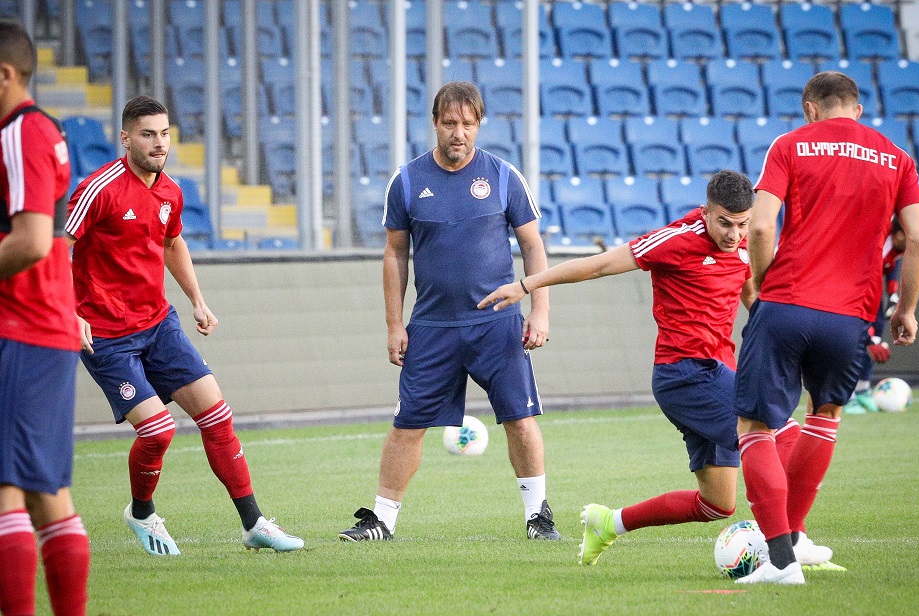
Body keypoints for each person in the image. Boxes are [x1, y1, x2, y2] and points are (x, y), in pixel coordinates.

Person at [480, 170, 827, 570]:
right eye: (725, 224)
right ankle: (789, 545)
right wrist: (526, 286)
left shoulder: (747, 246)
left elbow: (752, 296)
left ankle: (609, 523)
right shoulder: (676, 240)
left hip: (719, 372)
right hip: (686, 375)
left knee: (718, 503)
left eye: (743, 225)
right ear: (706, 212)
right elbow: (599, 266)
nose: (734, 234)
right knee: (782, 432)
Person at [66, 95, 303, 555]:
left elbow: (172, 244)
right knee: (158, 431)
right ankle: (141, 513)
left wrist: (197, 300)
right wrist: (67, 311)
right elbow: (60, 246)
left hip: (158, 323)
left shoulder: (170, 191)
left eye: (165, 133)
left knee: (217, 416)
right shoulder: (99, 188)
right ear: (126, 138)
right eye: (148, 134)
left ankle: (254, 525)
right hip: (107, 334)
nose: (159, 143)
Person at [731, 71, 919, 585]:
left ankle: (780, 563)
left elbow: (758, 224)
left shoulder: (791, 144)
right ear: (857, 110)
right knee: (824, 418)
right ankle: (795, 539)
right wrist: (905, 310)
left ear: (810, 109)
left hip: (787, 302)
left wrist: (761, 283)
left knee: (756, 428)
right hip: (851, 316)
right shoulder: (897, 157)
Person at [339, 81, 560, 542]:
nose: (458, 132)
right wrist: (394, 324)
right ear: (435, 124)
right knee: (408, 425)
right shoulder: (406, 181)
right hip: (433, 327)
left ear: (479, 124)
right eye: (449, 123)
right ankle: (382, 520)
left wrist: (539, 311)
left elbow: (533, 246)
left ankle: (538, 516)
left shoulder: (503, 176)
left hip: (497, 322)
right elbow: (394, 255)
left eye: (467, 123)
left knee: (520, 419)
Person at [0, 19, 89, 616]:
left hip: (21, 329)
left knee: (8, 494)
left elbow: (31, 240)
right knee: (46, 498)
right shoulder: (45, 132)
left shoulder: (19, 132)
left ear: (4, 75)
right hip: (44, 331)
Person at [844, 218, 906, 414]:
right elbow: (859, 294)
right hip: (852, 289)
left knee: (876, 331)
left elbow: (892, 265)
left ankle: (862, 389)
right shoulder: (877, 246)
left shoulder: (898, 247)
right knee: (856, 340)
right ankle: (846, 396)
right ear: (897, 234)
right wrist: (870, 337)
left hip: (872, 291)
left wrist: (893, 294)